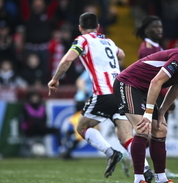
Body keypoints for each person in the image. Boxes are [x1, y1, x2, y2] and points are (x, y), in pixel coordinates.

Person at [113, 46, 178, 183]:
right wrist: (148, 113)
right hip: (127, 84)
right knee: (142, 127)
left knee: (161, 128)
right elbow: (156, 81)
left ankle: (161, 178)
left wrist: (162, 111)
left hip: (143, 90)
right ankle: (139, 179)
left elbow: (177, 88)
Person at [48, 12, 132, 178]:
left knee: (82, 127)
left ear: (80, 28)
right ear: (98, 27)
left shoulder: (82, 40)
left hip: (103, 94)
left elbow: (66, 60)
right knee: (126, 136)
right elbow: (122, 54)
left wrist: (55, 79)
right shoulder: (108, 41)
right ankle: (145, 170)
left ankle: (111, 153)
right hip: (121, 93)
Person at [135, 15, 178, 180]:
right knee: (155, 132)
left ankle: (157, 168)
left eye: (160, 27)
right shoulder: (147, 49)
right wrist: (166, 98)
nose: (160, 30)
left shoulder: (156, 47)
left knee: (155, 133)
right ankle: (150, 167)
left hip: (157, 94)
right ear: (147, 30)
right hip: (153, 95)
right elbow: (153, 78)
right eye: (156, 27)